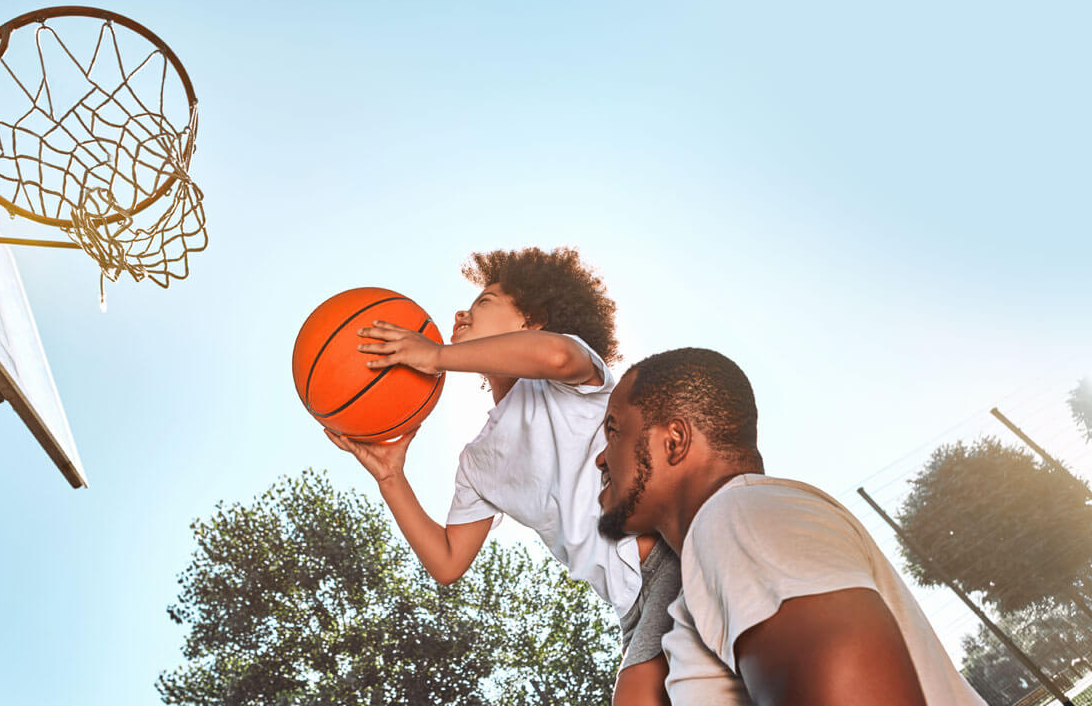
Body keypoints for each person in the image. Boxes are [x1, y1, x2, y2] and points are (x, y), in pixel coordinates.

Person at [327, 247, 677, 705]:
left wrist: (437, 355)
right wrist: (391, 477)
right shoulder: (478, 461)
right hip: (630, 605)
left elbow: (556, 355)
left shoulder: (569, 381)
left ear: (533, 322)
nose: (461, 313)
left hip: (669, 554)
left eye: (484, 301)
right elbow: (448, 562)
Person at [595, 347, 986, 705]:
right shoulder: (720, 551)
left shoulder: (739, 518)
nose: (601, 458)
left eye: (614, 431)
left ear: (674, 441)